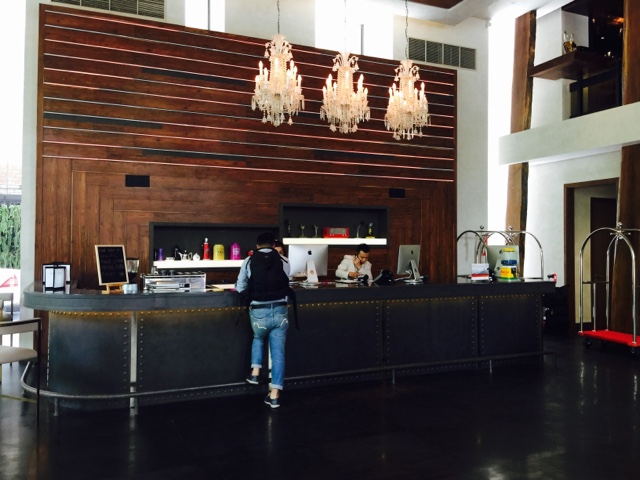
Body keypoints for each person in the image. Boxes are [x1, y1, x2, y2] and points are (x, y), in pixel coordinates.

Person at [235, 232, 290, 409]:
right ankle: (274, 396)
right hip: (280, 310)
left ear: (257, 246)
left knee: (258, 337)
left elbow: (240, 286)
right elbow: (286, 283)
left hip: (259, 311)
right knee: (278, 353)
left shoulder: (249, 261)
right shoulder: (284, 261)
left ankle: (255, 372)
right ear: (273, 245)